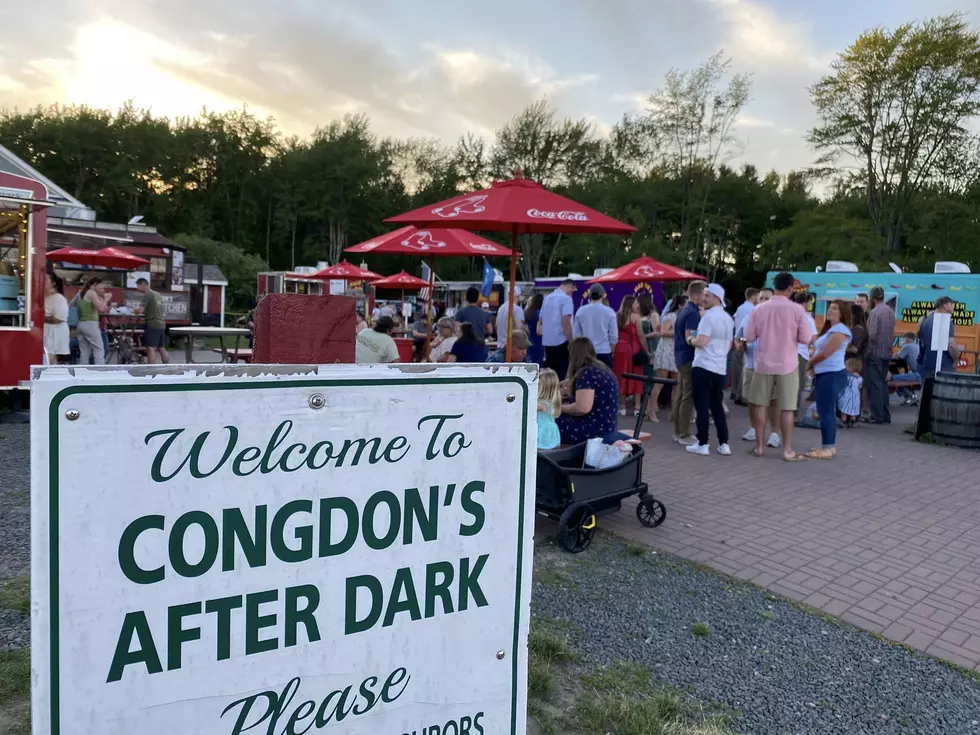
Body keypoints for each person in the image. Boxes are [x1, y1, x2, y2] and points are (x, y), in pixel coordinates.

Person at [744, 272, 813, 461]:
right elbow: (806, 338)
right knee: (787, 408)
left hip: (763, 363)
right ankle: (787, 449)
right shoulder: (798, 310)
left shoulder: (759, 308)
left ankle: (758, 447)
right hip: (788, 364)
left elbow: (749, 336)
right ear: (790, 288)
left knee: (760, 405)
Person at [685, 283, 734, 456]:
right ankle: (724, 443)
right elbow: (729, 344)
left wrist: (690, 339)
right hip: (719, 367)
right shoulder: (728, 318)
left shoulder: (708, 317)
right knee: (717, 405)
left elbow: (702, 341)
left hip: (704, 365)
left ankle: (703, 442)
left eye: (707, 295)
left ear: (717, 298)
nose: (703, 298)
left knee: (702, 405)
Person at [804, 300, 852, 459]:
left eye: (835, 309)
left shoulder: (840, 330)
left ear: (842, 313)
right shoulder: (831, 329)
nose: (830, 311)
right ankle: (829, 445)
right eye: (830, 308)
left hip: (831, 374)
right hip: (825, 373)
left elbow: (826, 353)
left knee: (825, 412)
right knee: (826, 410)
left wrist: (809, 363)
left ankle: (827, 447)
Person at [556, 337, 621, 445]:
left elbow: (583, 408)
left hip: (594, 431)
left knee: (550, 424)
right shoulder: (602, 368)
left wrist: (559, 408)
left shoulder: (586, 373)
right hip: (608, 426)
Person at [738, 288, 780, 447]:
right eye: (761, 298)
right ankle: (753, 427)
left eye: (767, 298)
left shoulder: (779, 318)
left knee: (773, 400)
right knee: (751, 399)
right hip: (751, 363)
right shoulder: (749, 317)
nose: (763, 301)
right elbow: (739, 337)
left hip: (772, 366)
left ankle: (775, 433)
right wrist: (740, 344)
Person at [671, 281, 707, 445]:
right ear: (697, 294)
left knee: (681, 394)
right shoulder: (692, 313)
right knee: (688, 395)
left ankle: (678, 430)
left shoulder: (684, 310)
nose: (705, 298)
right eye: (704, 294)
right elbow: (689, 337)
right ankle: (683, 433)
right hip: (688, 357)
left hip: (680, 356)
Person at [866, 286, 897, 424]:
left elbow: (872, 335)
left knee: (876, 384)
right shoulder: (890, 312)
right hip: (887, 352)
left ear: (872, 298)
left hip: (876, 352)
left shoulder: (874, 312)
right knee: (883, 384)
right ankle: (886, 415)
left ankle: (877, 416)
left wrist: (867, 350)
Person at [652, 294, 685, 419]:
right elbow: (663, 332)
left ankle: (674, 412)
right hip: (666, 350)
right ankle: (651, 410)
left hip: (676, 351)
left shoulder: (683, 317)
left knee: (677, 383)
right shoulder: (670, 316)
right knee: (660, 381)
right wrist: (678, 333)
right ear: (680, 305)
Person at [572, 283, 618, 367]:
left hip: (586, 353)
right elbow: (613, 337)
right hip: (604, 352)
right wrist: (611, 351)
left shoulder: (581, 311)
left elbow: (576, 335)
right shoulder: (610, 312)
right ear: (602, 295)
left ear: (590, 295)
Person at [540, 279, 576, 379]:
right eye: (572, 291)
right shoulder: (566, 299)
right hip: (561, 342)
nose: (572, 293)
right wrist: (571, 340)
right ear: (569, 287)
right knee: (561, 375)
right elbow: (566, 321)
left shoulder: (547, 298)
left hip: (547, 343)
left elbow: (541, 320)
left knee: (549, 376)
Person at [730, 288, 760, 405]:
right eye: (759, 296)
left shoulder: (740, 308)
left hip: (740, 340)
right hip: (746, 342)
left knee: (738, 369)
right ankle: (741, 395)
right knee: (744, 370)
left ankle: (736, 393)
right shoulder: (751, 310)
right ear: (753, 296)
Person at [918, 296, 961, 375]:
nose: (953, 306)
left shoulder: (925, 321)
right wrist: (956, 360)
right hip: (944, 365)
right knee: (945, 387)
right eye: (951, 304)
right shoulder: (946, 321)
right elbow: (951, 345)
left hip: (928, 363)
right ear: (945, 306)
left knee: (929, 387)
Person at [792, 291, 818, 415]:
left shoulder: (789, 314)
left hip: (788, 352)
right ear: (805, 302)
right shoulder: (807, 318)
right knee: (797, 385)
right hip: (801, 354)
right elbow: (812, 338)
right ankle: (793, 411)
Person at [135, 277, 170, 365]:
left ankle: (150, 369)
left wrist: (134, 310)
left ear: (142, 284)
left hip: (152, 323)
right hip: (161, 323)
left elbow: (141, 310)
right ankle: (167, 367)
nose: (137, 289)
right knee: (161, 347)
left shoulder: (147, 294)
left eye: (138, 286)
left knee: (151, 348)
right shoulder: (157, 294)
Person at [77, 276, 109, 365]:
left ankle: (83, 372)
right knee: (99, 349)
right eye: (100, 287)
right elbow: (101, 308)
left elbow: (71, 304)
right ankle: (99, 373)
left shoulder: (81, 293)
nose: (101, 289)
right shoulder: (91, 292)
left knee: (84, 352)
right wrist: (106, 299)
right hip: (90, 324)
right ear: (94, 285)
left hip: (81, 324)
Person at [44, 273, 70, 364]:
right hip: (47, 332)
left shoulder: (59, 298)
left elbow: (59, 318)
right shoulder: (44, 298)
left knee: (49, 358)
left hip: (55, 332)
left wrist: (42, 318)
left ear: (53, 283)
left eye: (46, 279)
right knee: (48, 357)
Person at [537, 368, 562, 450]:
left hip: (543, 435)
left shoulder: (542, 404)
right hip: (551, 433)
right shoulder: (552, 402)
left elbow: (526, 406)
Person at [496, 285, 525, 349]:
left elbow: (496, 325)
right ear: (518, 296)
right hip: (511, 347)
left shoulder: (501, 308)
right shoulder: (517, 309)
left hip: (500, 346)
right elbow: (519, 329)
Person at [838, 358, 864, 428]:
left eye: (846, 366)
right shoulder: (860, 378)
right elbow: (860, 387)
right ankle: (853, 421)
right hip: (855, 396)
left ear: (851, 367)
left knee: (844, 408)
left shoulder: (848, 376)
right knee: (853, 409)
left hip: (847, 395)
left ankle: (844, 421)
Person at [524, 292, 545, 366]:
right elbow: (539, 331)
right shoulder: (539, 314)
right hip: (538, 342)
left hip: (529, 340)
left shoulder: (527, 312)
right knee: (538, 364)